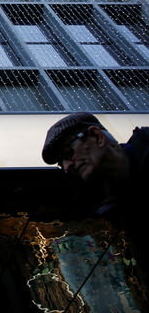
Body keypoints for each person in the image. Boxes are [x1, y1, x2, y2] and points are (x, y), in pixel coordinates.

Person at [42, 112, 149, 277]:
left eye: (68, 153)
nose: (67, 166)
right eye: (61, 164)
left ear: (97, 136)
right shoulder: (118, 208)